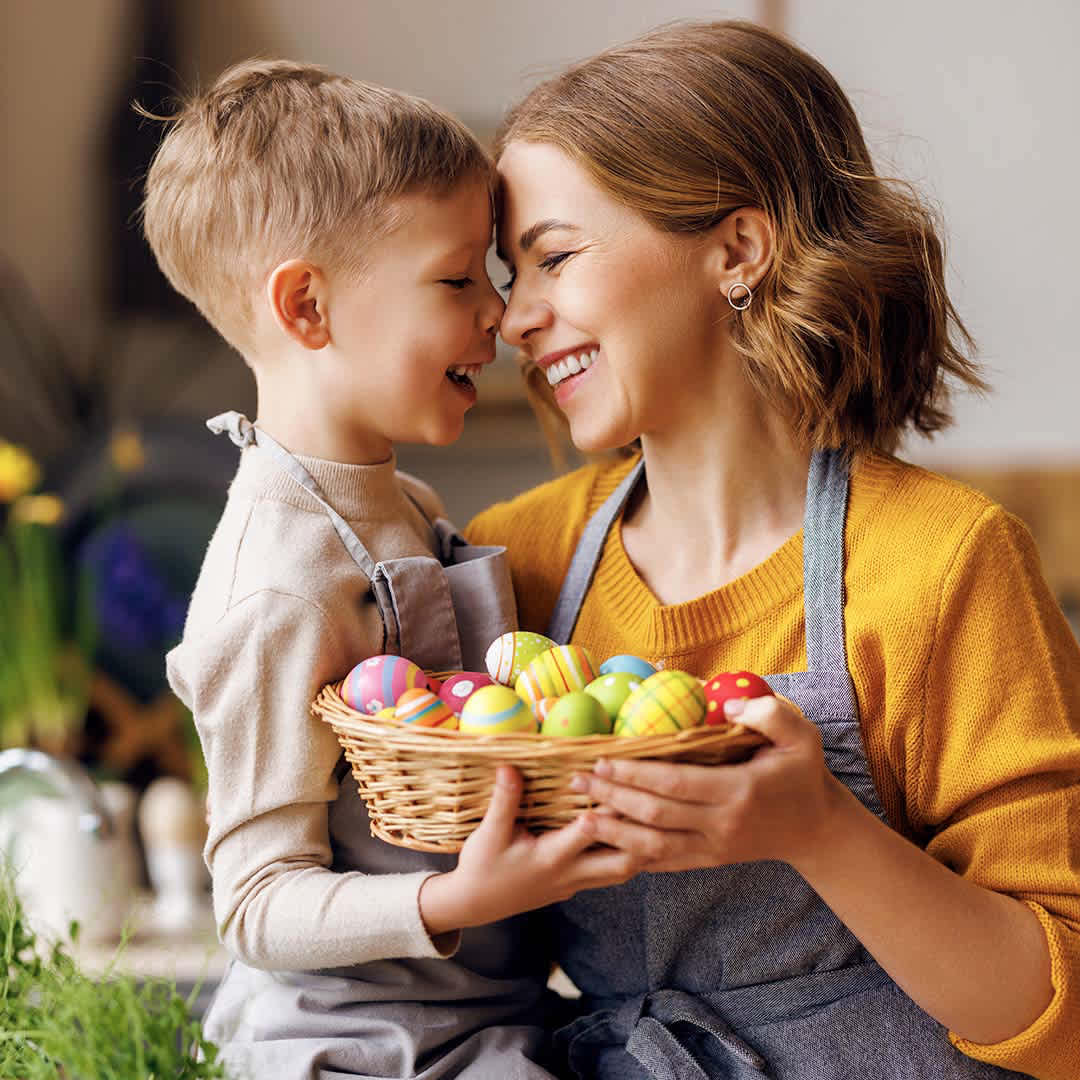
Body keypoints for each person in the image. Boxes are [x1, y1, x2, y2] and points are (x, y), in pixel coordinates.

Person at [467, 20, 1080, 1080]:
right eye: (508, 275)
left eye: (554, 258)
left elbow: (1064, 1015)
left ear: (738, 251)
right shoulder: (514, 558)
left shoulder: (944, 564)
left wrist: (822, 830)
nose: (516, 317)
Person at [144, 60, 641, 1079]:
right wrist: (457, 898)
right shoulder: (280, 581)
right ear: (307, 307)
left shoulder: (403, 504)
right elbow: (255, 905)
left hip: (488, 1016)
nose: (501, 313)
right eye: (458, 280)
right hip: (361, 1046)